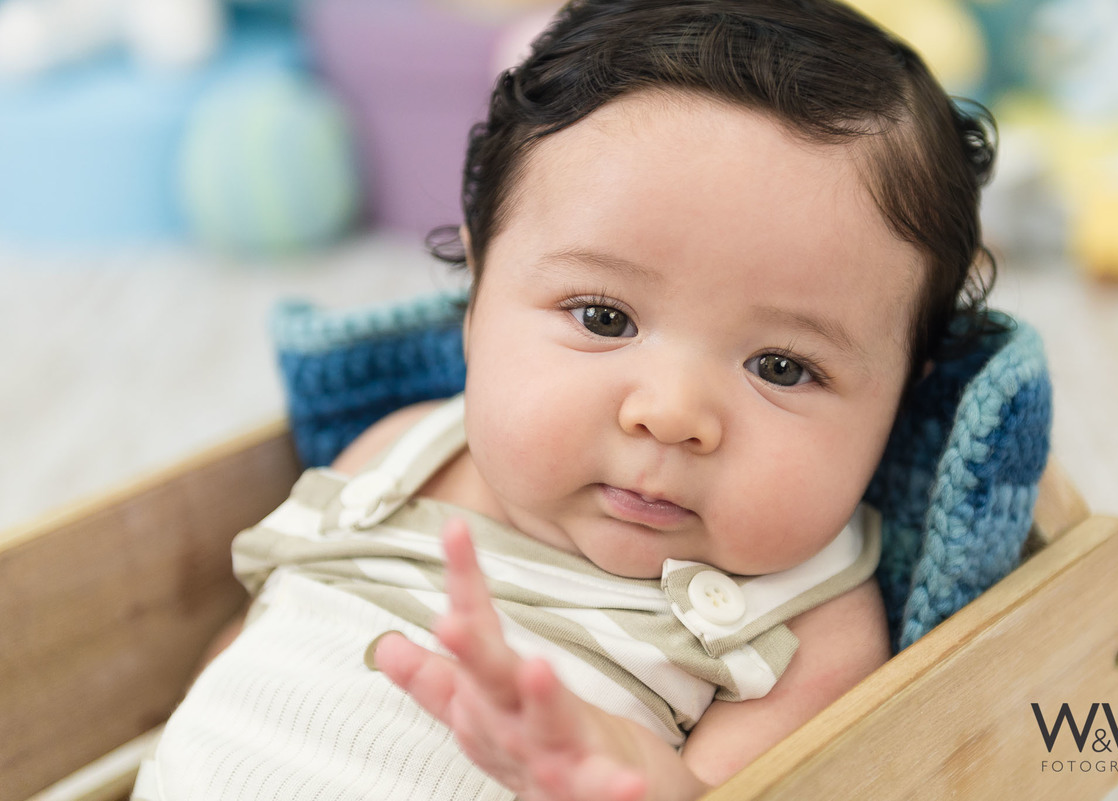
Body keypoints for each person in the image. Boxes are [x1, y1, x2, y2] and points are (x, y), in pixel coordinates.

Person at [133, 1, 997, 799]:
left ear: (901, 394)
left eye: (780, 366)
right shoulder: (399, 456)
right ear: (475, 297)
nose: (670, 413)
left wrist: (634, 775)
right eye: (602, 316)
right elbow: (256, 635)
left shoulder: (813, 624)